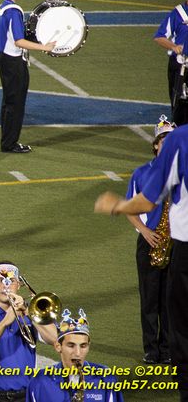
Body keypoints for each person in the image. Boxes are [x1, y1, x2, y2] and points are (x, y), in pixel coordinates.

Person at [95, 123, 188, 400]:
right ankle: (155, 349)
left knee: (181, 325)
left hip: (184, 248)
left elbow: (147, 201)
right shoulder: (144, 167)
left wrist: (116, 206)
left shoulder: (181, 138)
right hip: (158, 242)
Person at [0, 262, 57, 401]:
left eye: (11, 281)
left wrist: (29, 312)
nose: (6, 285)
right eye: (0, 280)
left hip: (26, 395)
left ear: (18, 285)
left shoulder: (31, 313)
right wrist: (5, 322)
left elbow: (55, 339)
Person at [125, 116, 174, 365]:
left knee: (170, 299)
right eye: (163, 140)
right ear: (155, 145)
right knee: (149, 299)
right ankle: (150, 350)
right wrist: (144, 230)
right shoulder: (142, 173)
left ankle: (167, 349)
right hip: (150, 241)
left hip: (176, 241)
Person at [0, 0, 55, 153]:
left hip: (3, 58)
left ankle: (7, 140)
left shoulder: (4, 7)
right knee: (16, 104)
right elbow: (19, 41)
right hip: (12, 62)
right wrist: (44, 47)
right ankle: (10, 143)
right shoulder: (13, 11)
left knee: (8, 102)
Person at [26, 309, 124, 402]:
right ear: (58, 346)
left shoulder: (105, 378)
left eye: (83, 346)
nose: (77, 353)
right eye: (71, 345)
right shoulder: (39, 381)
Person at [154, 0, 188, 124]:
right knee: (178, 103)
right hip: (180, 66)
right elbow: (159, 36)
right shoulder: (178, 13)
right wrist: (173, 46)